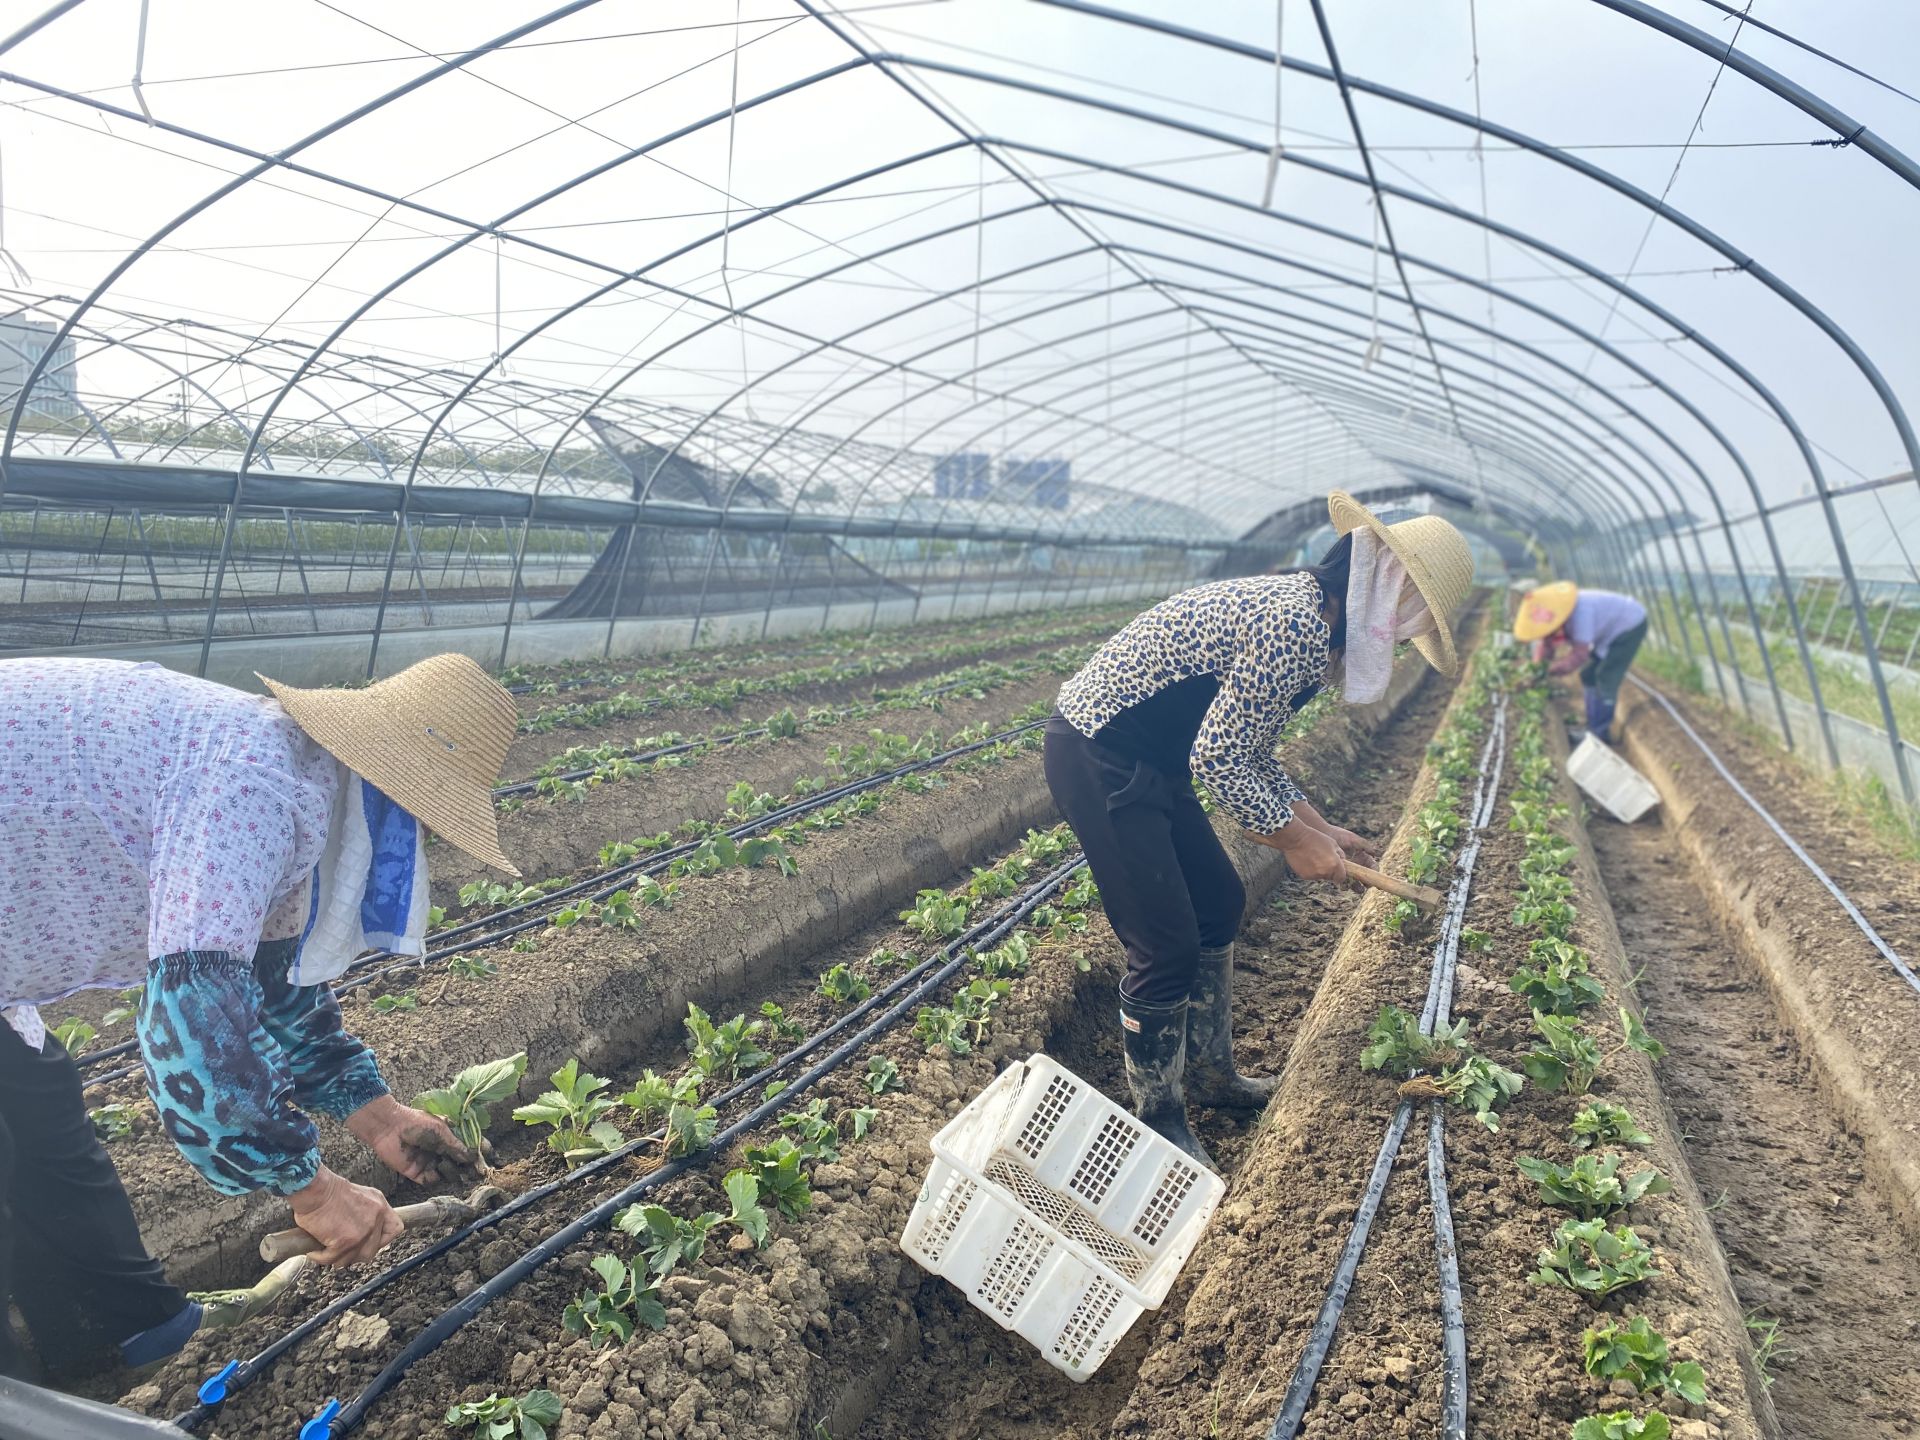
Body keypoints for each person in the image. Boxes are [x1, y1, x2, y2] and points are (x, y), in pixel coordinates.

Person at [0, 653, 522, 1381]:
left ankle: (131, 1336)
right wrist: (314, 1190)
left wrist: (376, 1115)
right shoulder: (258, 789)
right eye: (422, 823)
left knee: (35, 1109)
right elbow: (194, 1029)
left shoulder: (298, 779)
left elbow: (273, 989)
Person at [1045, 492, 1475, 1166]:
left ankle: (1211, 1077)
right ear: (1388, 589)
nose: (1399, 635)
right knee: (1165, 944)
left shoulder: (1312, 618)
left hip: (1154, 758)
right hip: (1100, 752)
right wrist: (1298, 844)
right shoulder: (1295, 626)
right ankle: (1159, 1119)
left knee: (1218, 902)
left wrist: (1318, 825)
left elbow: (1249, 747)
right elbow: (1218, 757)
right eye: (1407, 618)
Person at [1513, 582, 1648, 744]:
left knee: (1605, 676)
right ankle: (1592, 727)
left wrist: (1552, 669)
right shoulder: (1559, 614)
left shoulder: (1581, 613)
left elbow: (1580, 655)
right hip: (1609, 630)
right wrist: (1536, 670)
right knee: (1588, 674)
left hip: (1629, 625)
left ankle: (1599, 734)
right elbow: (1546, 645)